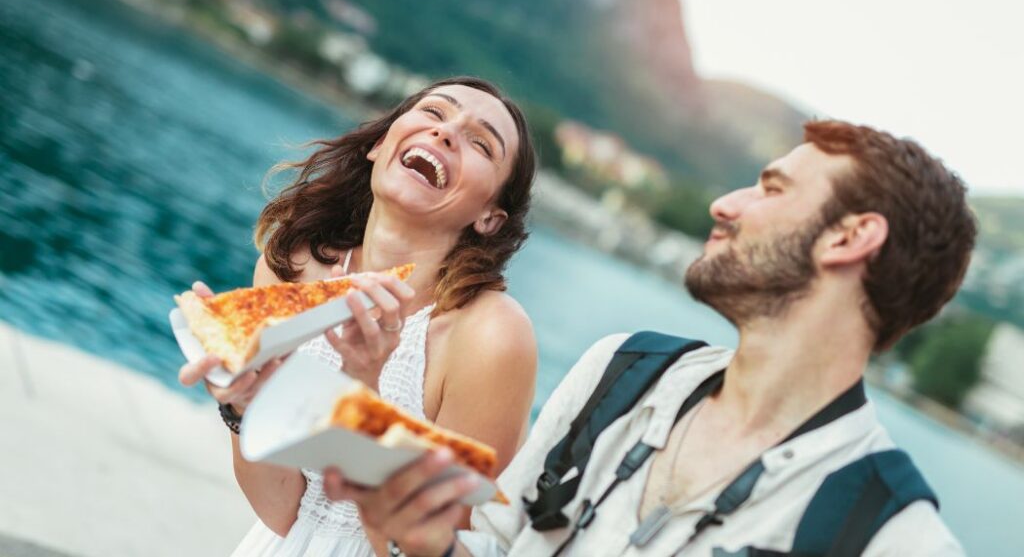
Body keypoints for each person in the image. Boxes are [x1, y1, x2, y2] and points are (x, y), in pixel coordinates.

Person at [322, 120, 975, 556]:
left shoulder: (897, 539)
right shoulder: (618, 370)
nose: (725, 203)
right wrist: (428, 541)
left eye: (771, 188)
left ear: (849, 238)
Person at [178, 76, 539, 557]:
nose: (445, 133)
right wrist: (242, 407)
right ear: (378, 144)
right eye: (434, 113)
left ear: (490, 217)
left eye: (481, 143)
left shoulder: (491, 334)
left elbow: (440, 546)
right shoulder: (293, 265)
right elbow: (284, 513)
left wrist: (363, 394)